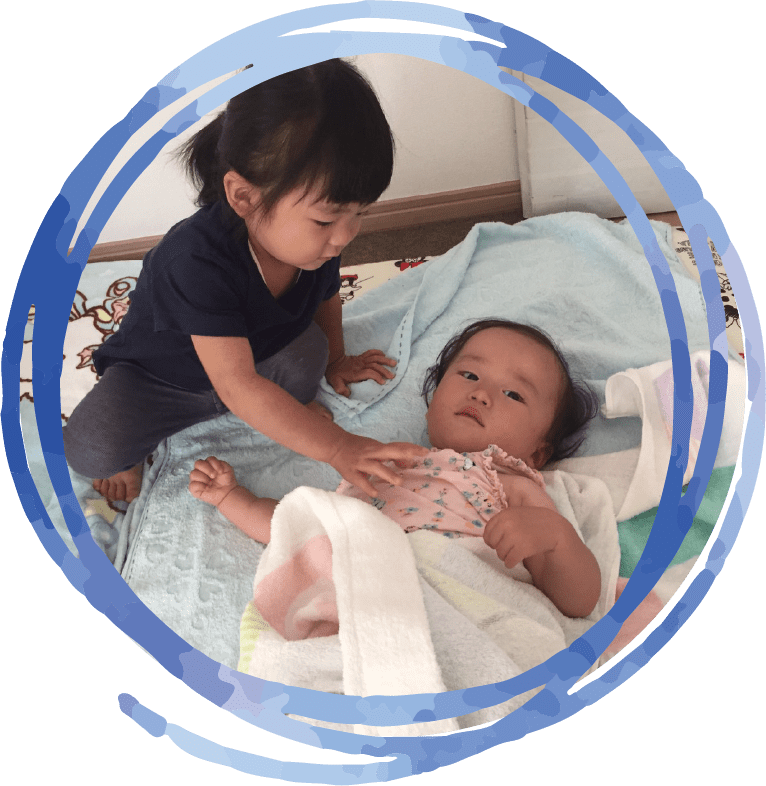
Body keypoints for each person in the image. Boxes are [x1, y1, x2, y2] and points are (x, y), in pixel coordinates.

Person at [63, 59, 428, 503]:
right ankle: (144, 448)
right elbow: (237, 385)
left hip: (255, 357)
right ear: (244, 197)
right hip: (162, 380)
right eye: (326, 219)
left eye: (360, 213)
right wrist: (337, 447)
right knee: (89, 449)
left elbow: (327, 296)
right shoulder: (193, 260)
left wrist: (335, 359)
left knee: (310, 352)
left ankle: (273, 406)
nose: (346, 235)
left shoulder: (316, 245)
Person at [189, 319, 603, 619]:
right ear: (432, 401)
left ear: (538, 454)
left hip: (460, 601)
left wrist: (558, 539)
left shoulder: (511, 485)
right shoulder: (383, 464)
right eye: (469, 374)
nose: (481, 393)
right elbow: (302, 526)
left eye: (513, 394)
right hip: (368, 592)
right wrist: (232, 498)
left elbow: (579, 601)